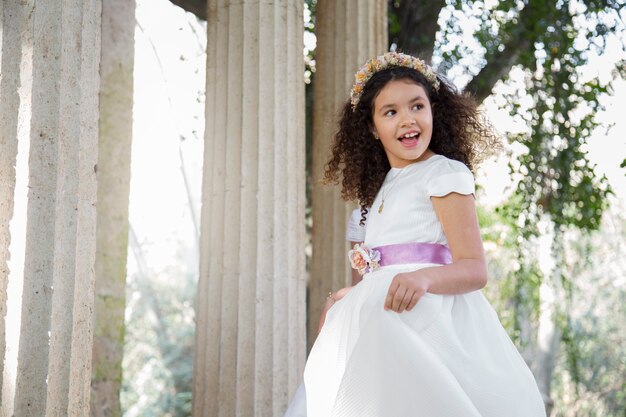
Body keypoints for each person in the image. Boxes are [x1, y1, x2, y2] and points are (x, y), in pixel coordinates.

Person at [284, 52, 546, 417]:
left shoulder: (444, 174)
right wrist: (347, 296)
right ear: (372, 128)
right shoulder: (376, 193)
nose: (407, 119)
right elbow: (380, 271)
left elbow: (474, 269)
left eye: (416, 106)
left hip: (426, 325)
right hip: (381, 326)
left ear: (433, 111)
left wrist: (422, 277)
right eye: (390, 112)